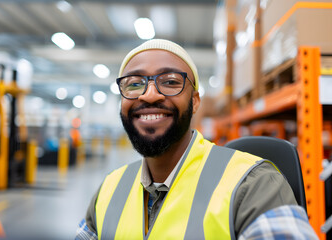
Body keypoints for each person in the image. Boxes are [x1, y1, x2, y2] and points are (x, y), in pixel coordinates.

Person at [76, 39, 318, 239]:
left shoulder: (253, 186)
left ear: (195, 101)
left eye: (170, 82)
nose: (149, 95)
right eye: (134, 84)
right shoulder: (109, 189)